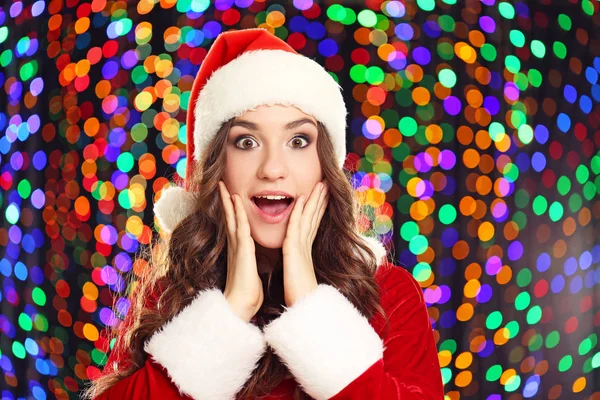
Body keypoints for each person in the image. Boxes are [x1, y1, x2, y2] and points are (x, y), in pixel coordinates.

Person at [82, 28, 444, 400]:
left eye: (298, 141)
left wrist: (309, 307)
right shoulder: (167, 296)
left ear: (325, 166)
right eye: (246, 142)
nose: (272, 168)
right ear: (216, 169)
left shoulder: (390, 294)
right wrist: (230, 313)